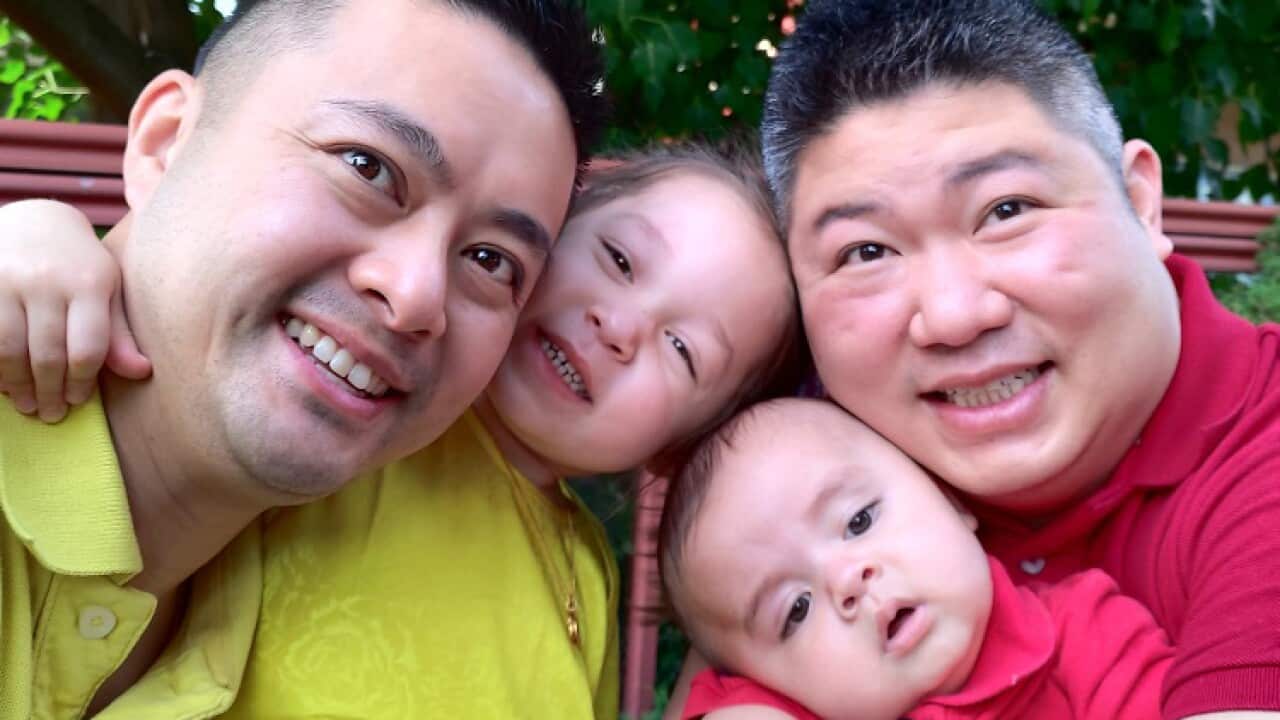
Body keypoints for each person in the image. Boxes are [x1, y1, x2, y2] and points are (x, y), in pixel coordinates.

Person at [0, 141, 806, 717]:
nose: (620, 327)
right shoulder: (361, 406)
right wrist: (45, 234)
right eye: (622, 262)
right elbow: (173, 315)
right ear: (543, 228)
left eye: (682, 350)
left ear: (673, 447)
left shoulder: (586, 579)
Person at [0, 0, 604, 717]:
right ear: (165, 142)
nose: (416, 296)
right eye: (369, 167)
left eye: (489, 260)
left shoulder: (305, 611)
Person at [736, 0, 1280, 718]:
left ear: (1143, 202)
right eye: (865, 252)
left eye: (1006, 210)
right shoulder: (810, 506)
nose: (955, 317)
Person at [658, 397, 1173, 720]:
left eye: (859, 520)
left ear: (950, 499)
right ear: (760, 679)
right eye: (795, 609)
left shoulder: (1086, 635)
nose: (848, 580)